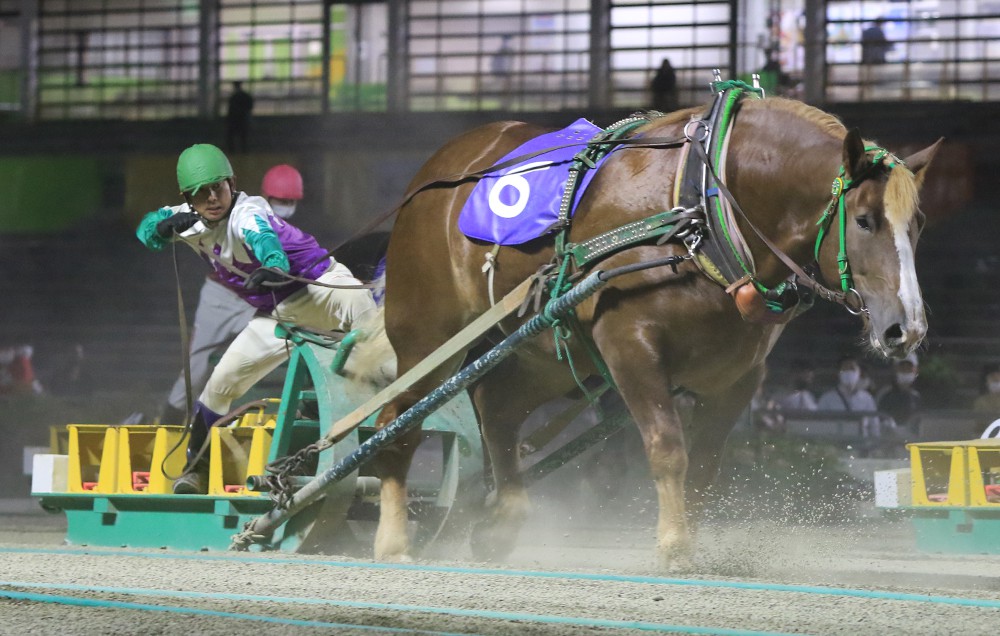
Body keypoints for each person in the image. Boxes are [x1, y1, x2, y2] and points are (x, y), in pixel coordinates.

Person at [137, 144, 376, 494]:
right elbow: (144, 231)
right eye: (201, 193)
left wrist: (274, 266)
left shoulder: (247, 212)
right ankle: (193, 470)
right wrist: (160, 228)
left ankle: (383, 400)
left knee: (363, 308)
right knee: (220, 384)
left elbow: (264, 240)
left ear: (232, 183)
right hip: (279, 314)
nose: (212, 198)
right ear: (186, 198)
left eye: (218, 187)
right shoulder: (185, 218)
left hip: (323, 287)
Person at [158, 164, 306, 426]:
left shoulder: (284, 228)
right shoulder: (241, 213)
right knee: (197, 364)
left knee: (302, 349)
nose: (285, 205)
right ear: (266, 196)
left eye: (290, 201)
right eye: (281, 200)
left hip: (263, 300)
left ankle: (298, 417)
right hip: (223, 298)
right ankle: (167, 423)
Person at [817, 354, 888, 449]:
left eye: (852, 369)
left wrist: (873, 447)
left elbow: (874, 427)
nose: (849, 372)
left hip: (861, 448)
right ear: (838, 373)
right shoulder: (826, 399)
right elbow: (819, 427)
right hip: (835, 449)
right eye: (845, 369)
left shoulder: (867, 398)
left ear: (859, 373)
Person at [876, 353, 921, 433]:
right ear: (895, 369)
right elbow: (877, 421)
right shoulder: (884, 395)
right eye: (902, 368)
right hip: (888, 442)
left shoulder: (917, 397)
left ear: (916, 370)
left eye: (909, 368)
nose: (905, 371)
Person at [226, 81, 254, 153]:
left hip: (235, 120)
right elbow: (250, 107)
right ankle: (243, 151)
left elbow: (230, 110)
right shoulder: (245, 96)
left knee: (233, 136)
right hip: (242, 119)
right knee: (243, 137)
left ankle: (232, 151)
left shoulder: (233, 97)